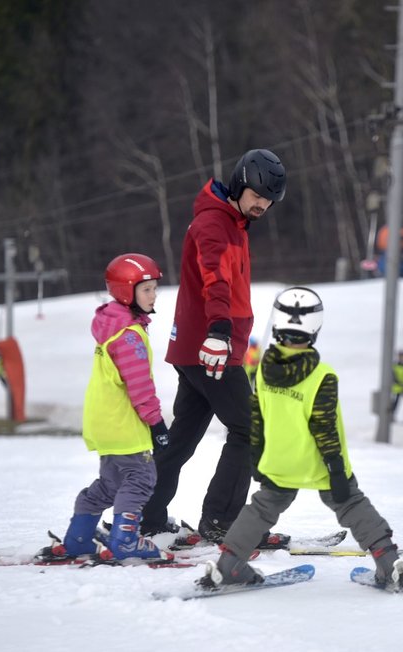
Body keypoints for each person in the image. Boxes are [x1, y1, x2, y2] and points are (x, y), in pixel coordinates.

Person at [198, 287, 403, 592]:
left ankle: (228, 567)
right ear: (315, 328)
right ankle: (388, 566)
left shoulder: (264, 372)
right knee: (351, 504)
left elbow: (257, 419)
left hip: (279, 462)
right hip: (320, 463)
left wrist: (257, 458)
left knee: (261, 509)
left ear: (277, 325)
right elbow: (325, 429)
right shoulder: (322, 376)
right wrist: (336, 470)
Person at [140, 148, 286, 543]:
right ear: (240, 183)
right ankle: (223, 522)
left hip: (201, 347)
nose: (262, 205)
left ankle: (143, 515)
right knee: (251, 430)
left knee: (183, 438)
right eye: (257, 195)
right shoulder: (214, 225)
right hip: (211, 348)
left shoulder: (231, 222)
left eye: (269, 200)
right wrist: (220, 330)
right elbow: (215, 279)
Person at [39, 254, 171, 563]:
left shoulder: (113, 327)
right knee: (141, 479)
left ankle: (78, 539)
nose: (154, 296)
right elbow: (140, 387)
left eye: (154, 288)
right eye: (146, 290)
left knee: (110, 484)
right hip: (125, 425)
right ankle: (125, 541)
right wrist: (157, 424)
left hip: (104, 423)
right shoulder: (129, 336)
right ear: (127, 292)